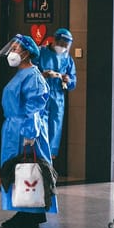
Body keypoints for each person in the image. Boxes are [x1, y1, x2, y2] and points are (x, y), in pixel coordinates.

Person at [0, 34, 57, 228]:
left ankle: (30, 215)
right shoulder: (22, 74)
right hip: (15, 129)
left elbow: (35, 107)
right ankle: (24, 212)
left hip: (26, 131)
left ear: (27, 53)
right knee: (17, 171)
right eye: (12, 47)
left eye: (16, 48)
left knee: (28, 170)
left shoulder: (34, 76)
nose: (12, 52)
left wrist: (30, 133)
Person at [33, 28, 76, 159]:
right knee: (40, 125)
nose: (63, 48)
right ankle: (39, 154)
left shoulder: (67, 59)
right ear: (55, 40)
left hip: (58, 98)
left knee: (55, 126)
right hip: (41, 95)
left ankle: (50, 157)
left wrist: (68, 80)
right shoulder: (40, 53)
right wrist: (43, 75)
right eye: (61, 44)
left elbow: (73, 81)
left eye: (65, 45)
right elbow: (30, 74)